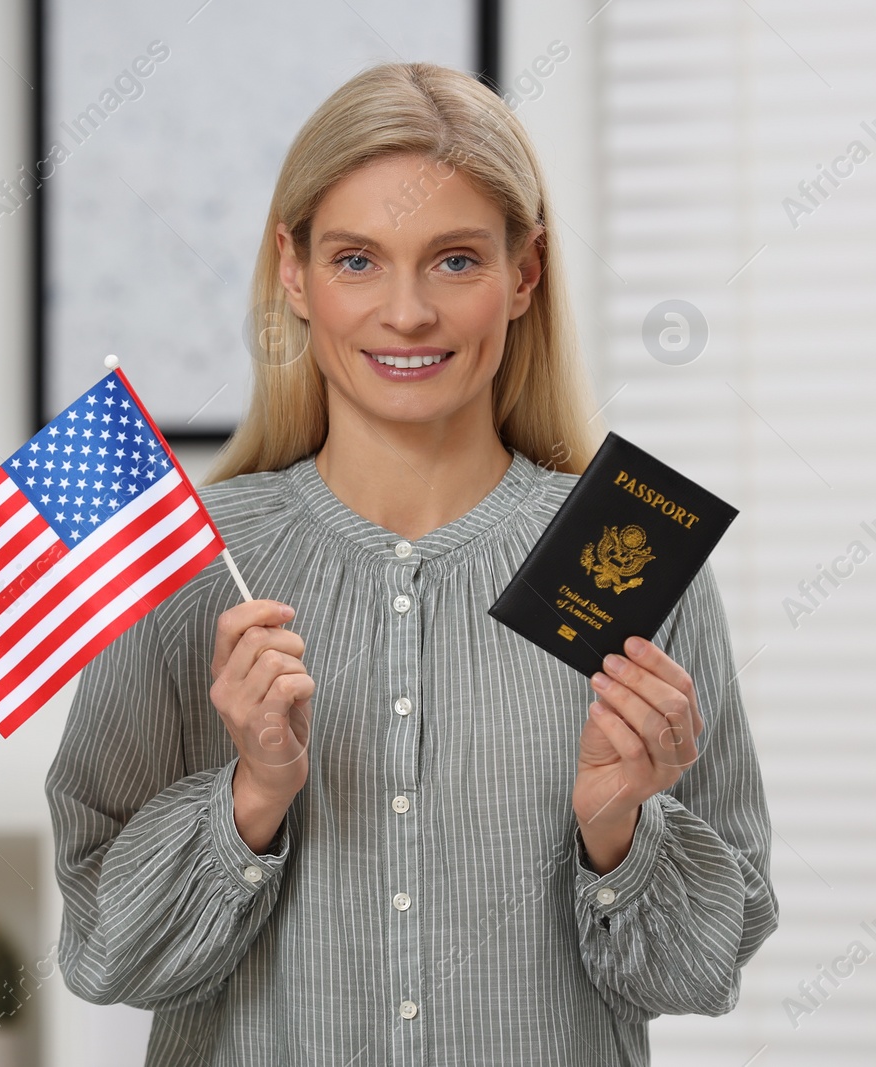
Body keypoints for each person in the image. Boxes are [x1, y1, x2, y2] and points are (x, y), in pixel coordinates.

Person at [44, 61, 777, 1065]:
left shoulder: (633, 555)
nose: (406, 313)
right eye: (356, 260)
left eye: (454, 261)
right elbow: (102, 950)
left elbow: (704, 968)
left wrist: (618, 825)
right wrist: (250, 795)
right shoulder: (184, 562)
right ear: (292, 271)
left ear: (523, 274)